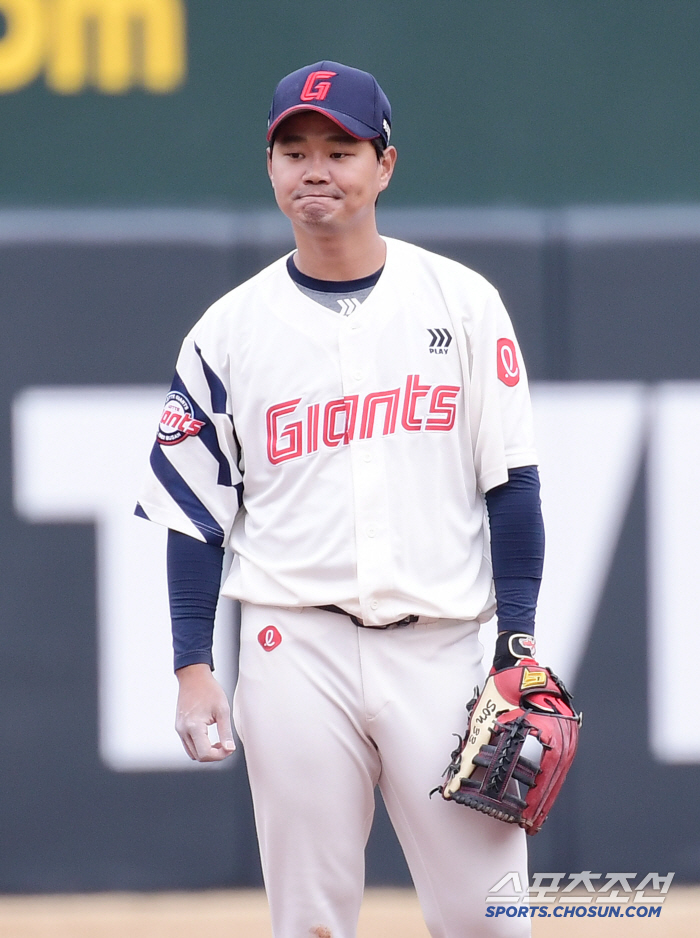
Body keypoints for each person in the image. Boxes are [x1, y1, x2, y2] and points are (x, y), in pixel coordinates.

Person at [137, 60, 544, 938]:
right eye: (294, 149)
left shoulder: (463, 304)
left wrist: (517, 639)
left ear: (384, 166)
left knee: (492, 922)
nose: (315, 168)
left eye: (340, 148)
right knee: (312, 924)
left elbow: (513, 486)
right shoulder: (228, 330)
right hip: (295, 648)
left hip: (442, 653)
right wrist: (191, 665)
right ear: (271, 167)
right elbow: (194, 517)